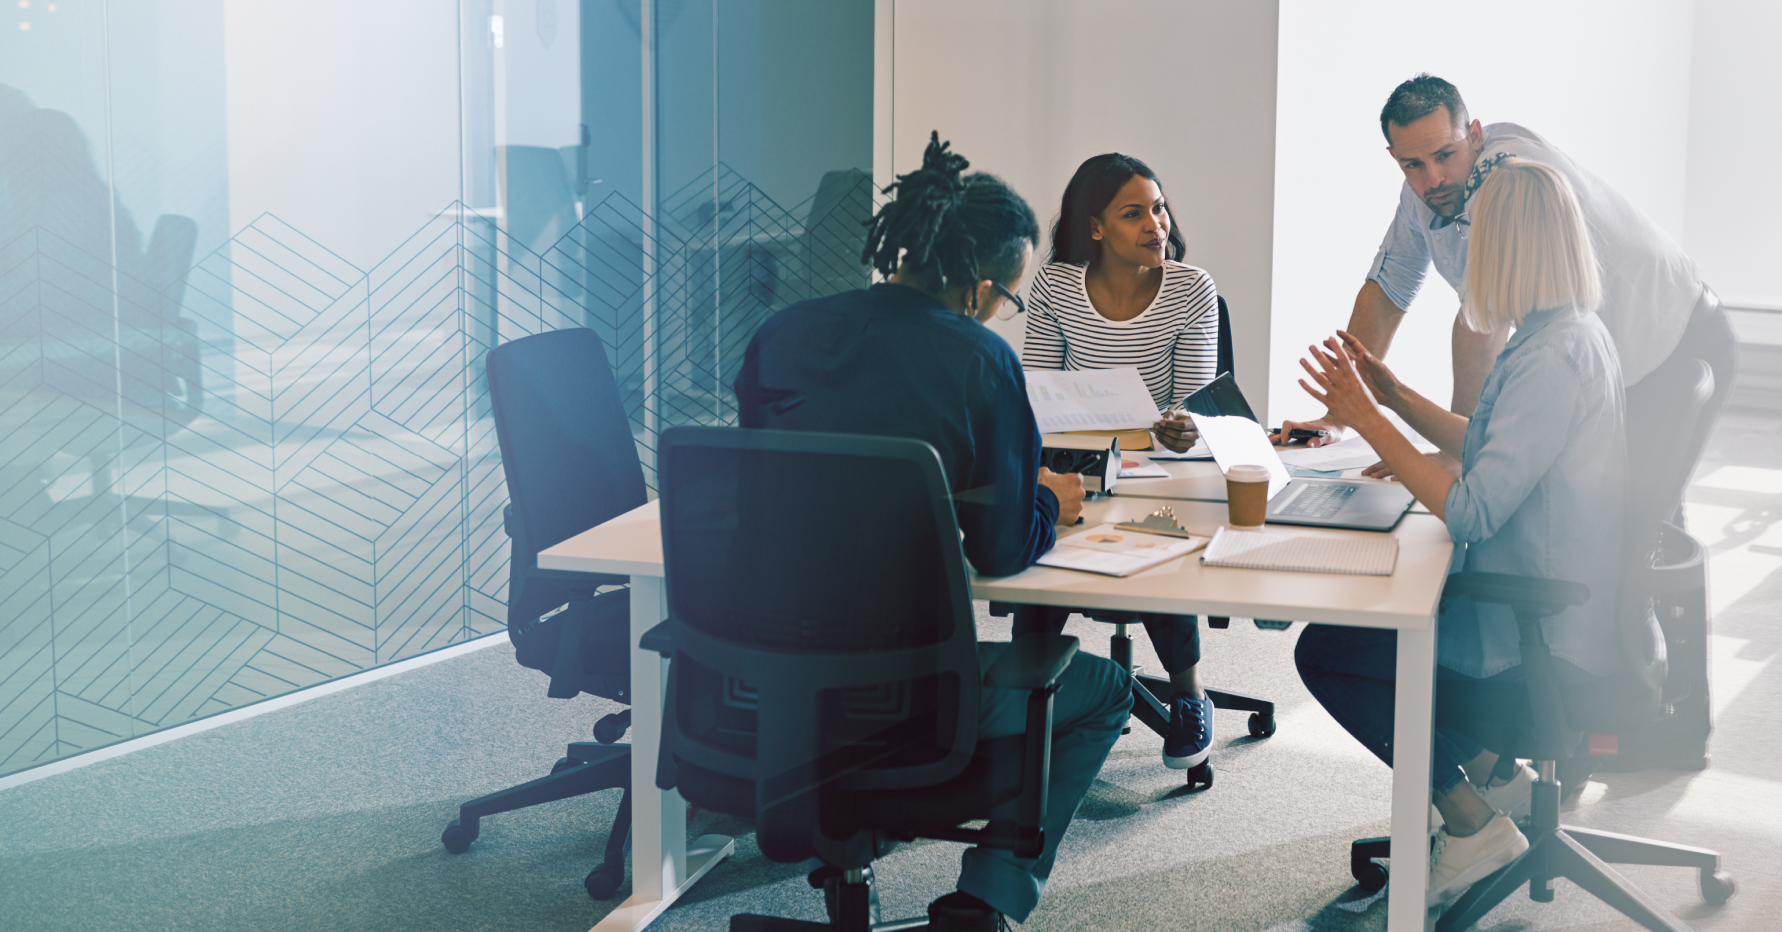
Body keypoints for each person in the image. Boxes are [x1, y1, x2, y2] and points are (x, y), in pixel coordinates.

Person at [733, 132, 1131, 932]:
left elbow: (768, 489)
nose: (1001, 315)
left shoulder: (782, 334)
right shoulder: (979, 360)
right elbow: (1002, 549)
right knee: (1103, 691)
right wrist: (1055, 500)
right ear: (981, 285)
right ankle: (987, 898)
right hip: (906, 700)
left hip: (757, 682)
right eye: (1008, 299)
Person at [1291, 157, 1626, 909]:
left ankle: (1472, 820)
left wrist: (1370, 423)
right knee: (1374, 627)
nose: (1468, 256)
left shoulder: (1551, 359)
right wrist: (1395, 395)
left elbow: (1471, 508)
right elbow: (1491, 444)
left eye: (1480, 240)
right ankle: (1493, 772)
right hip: (1548, 603)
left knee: (1331, 650)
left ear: (1508, 248)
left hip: (1537, 630)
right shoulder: (1561, 333)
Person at [1277, 74, 1734, 480]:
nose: (1433, 178)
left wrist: (1457, 453)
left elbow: (1483, 315)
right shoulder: (1424, 189)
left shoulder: (1503, 175)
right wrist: (1339, 414)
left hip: (1680, 336)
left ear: (1473, 134)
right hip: (1607, 365)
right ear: (1395, 157)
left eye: (1445, 154)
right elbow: (1388, 288)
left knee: (1643, 532)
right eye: (1412, 164)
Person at [1012, 153, 1222, 773]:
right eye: (1134, 213)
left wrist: (1186, 426)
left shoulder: (1191, 287)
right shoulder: (1054, 286)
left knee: (1159, 545)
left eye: (1157, 207)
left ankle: (1189, 695)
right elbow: (1039, 390)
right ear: (1096, 226)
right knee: (1043, 544)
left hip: (1164, 464)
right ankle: (1030, 694)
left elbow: (1195, 403)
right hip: (1080, 458)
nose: (1156, 223)